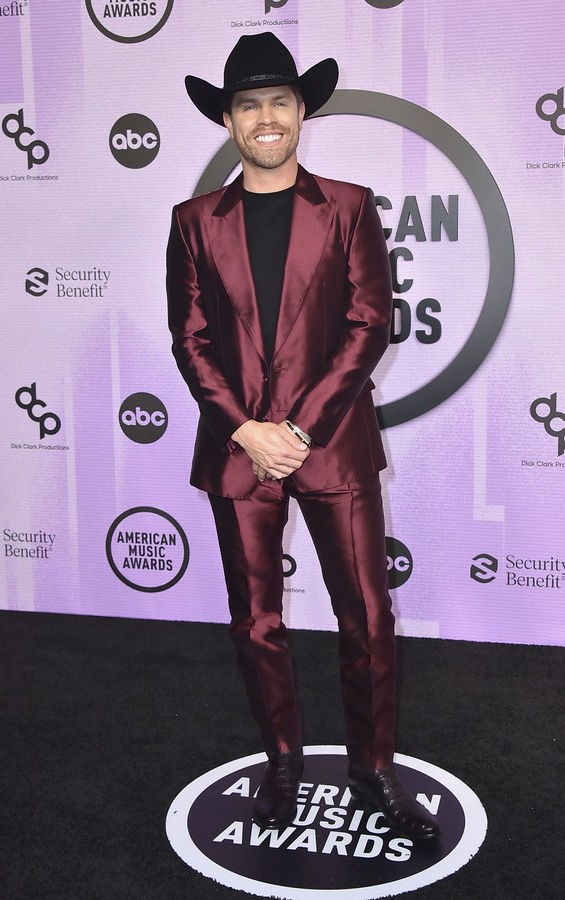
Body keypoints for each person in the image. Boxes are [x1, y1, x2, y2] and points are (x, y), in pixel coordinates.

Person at [167, 31, 439, 840]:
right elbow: (190, 340)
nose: (266, 118)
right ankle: (282, 761)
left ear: (301, 111)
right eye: (248, 105)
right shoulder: (192, 220)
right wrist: (249, 431)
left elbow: (368, 324)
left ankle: (373, 772)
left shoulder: (350, 206)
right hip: (237, 448)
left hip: (333, 444)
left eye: (279, 101)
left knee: (366, 615)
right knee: (255, 620)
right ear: (228, 122)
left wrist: (296, 428)